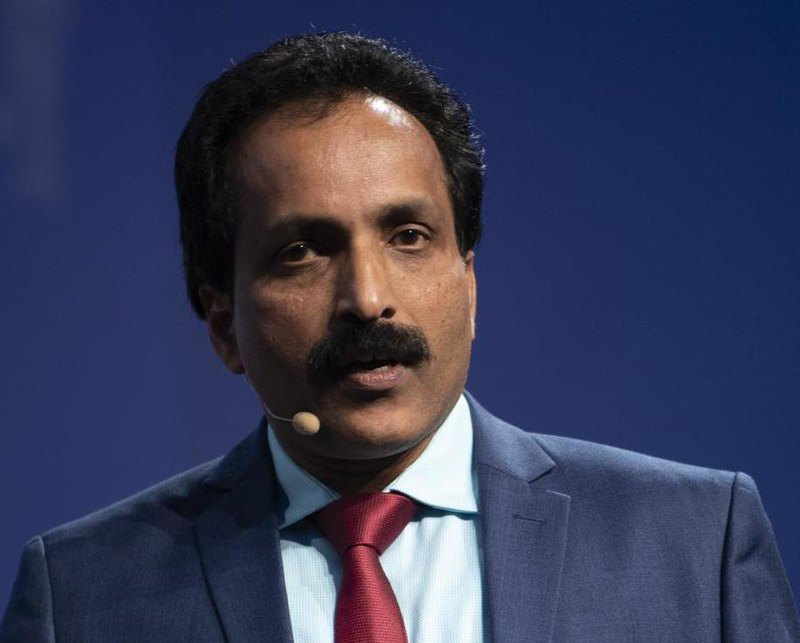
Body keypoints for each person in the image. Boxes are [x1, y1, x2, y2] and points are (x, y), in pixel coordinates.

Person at [1, 32, 798, 643]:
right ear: (222, 324)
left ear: (469, 282)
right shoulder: (82, 596)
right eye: (302, 250)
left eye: (409, 236)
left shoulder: (698, 545)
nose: (369, 299)